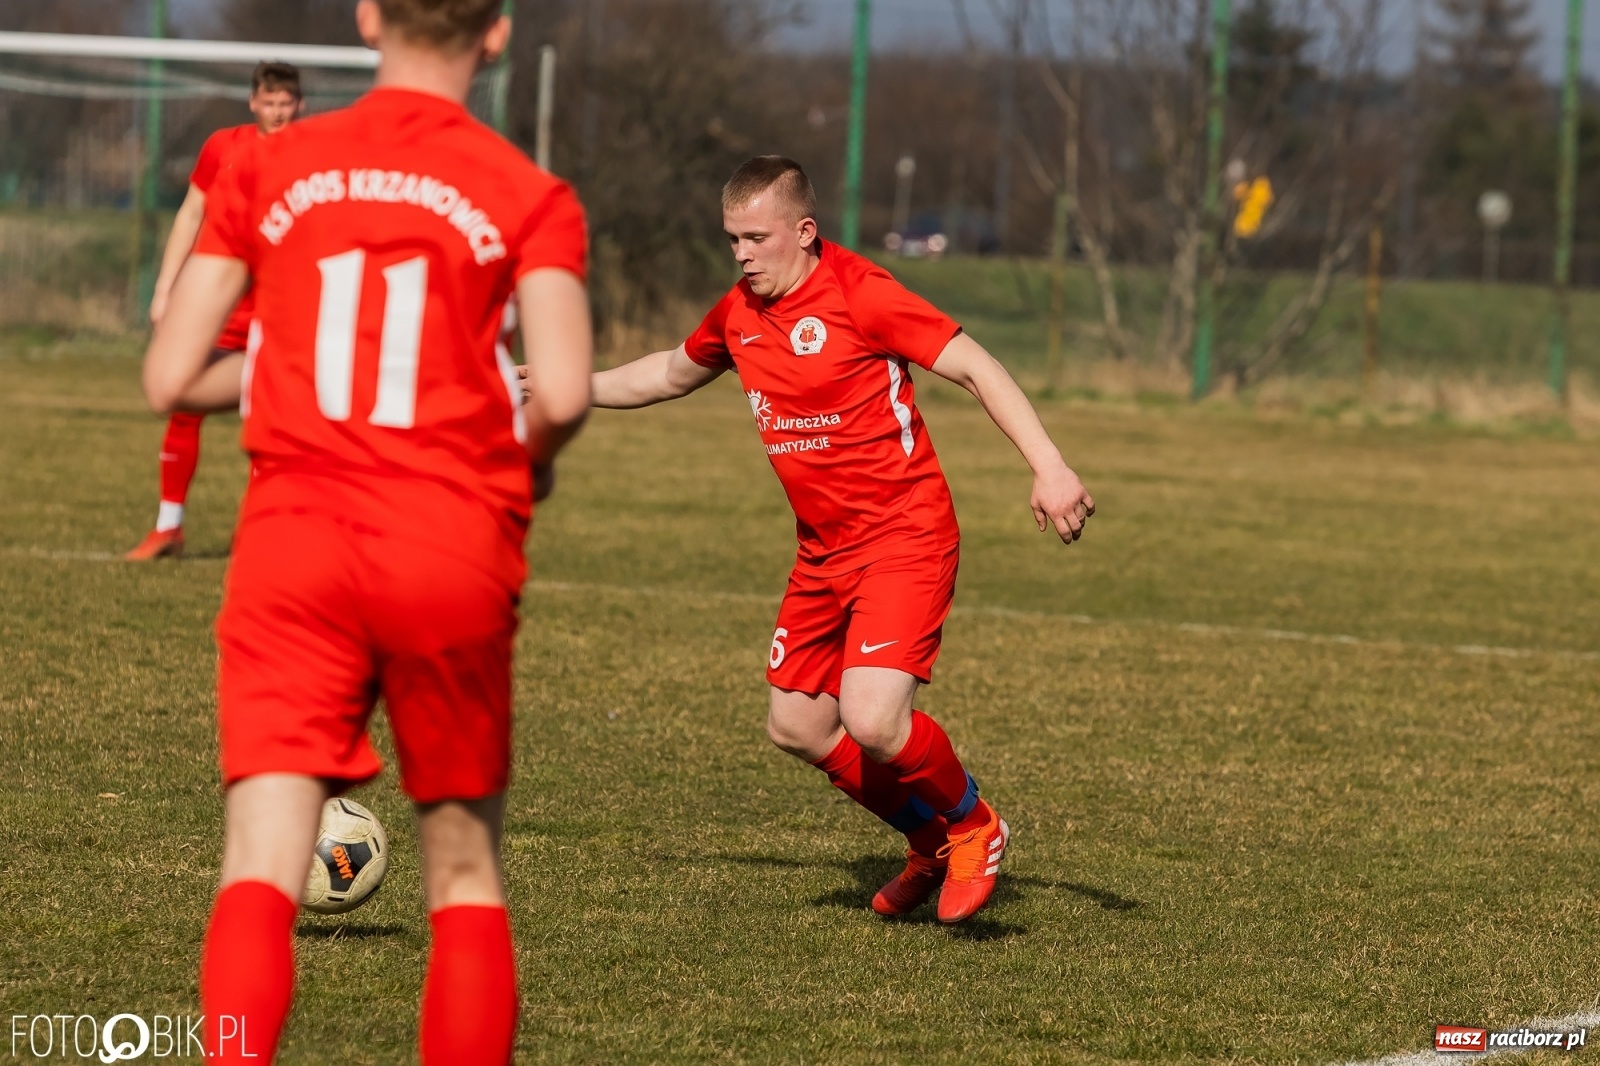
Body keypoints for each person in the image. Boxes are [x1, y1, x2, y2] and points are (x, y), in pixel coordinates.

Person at [140, 0, 592, 1061]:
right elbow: (563, 393)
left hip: (295, 544)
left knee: (258, 862)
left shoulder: (271, 166)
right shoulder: (531, 194)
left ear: (368, 18)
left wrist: (287, 369)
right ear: (497, 35)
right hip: (450, 545)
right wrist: (521, 465)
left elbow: (169, 371)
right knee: (465, 875)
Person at [588, 156, 1095, 924]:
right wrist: (569, 385)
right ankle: (928, 840)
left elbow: (976, 366)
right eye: (733, 240)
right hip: (823, 552)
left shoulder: (862, 295)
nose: (743, 255)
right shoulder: (738, 313)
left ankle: (974, 825)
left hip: (905, 533)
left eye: (756, 238)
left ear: (804, 231)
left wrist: (1049, 466)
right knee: (796, 724)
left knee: (874, 719)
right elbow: (665, 373)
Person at [126, 61, 304, 561]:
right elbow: (190, 213)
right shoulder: (223, 146)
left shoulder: (310, 155)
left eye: (285, 103)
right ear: (252, 102)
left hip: (276, 304)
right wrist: (165, 288)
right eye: (268, 102)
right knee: (184, 404)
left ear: (300, 104)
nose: (276, 112)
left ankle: (257, 534)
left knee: (267, 418)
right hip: (219, 303)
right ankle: (168, 527)